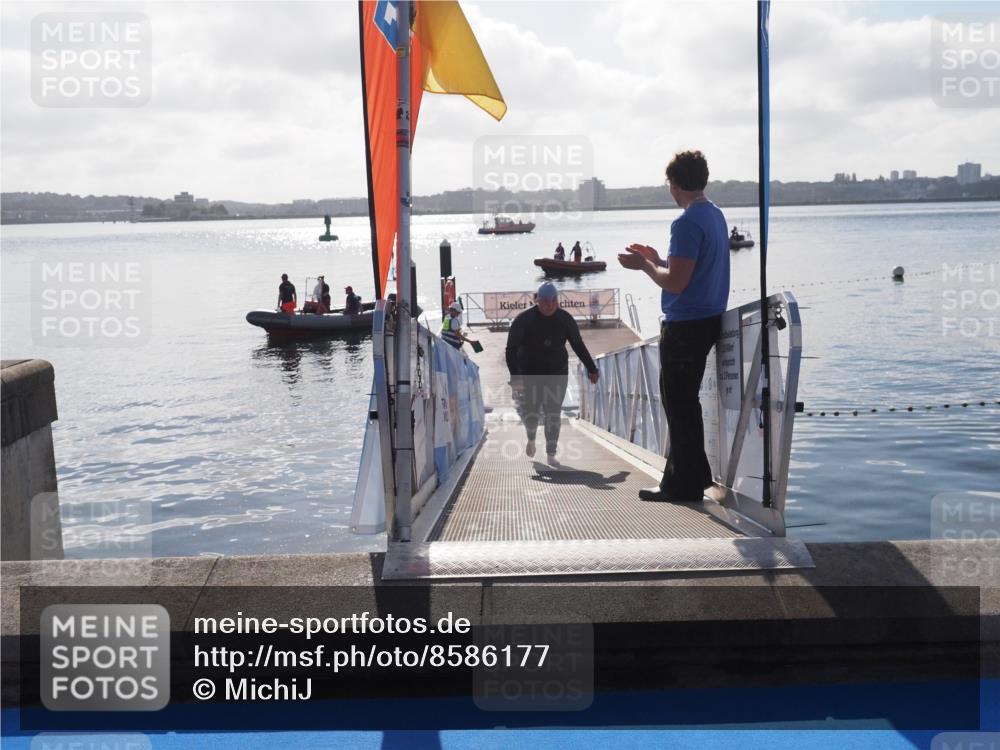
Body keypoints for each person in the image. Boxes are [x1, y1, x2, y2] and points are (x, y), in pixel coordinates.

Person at [617, 149, 730, 502]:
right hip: (710, 318)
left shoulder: (685, 223)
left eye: (669, 183)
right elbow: (689, 269)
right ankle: (693, 475)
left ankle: (683, 483)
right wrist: (657, 259)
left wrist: (643, 266)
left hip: (685, 325)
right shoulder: (715, 215)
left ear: (675, 184)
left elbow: (676, 284)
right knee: (685, 403)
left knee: (678, 404)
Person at [506, 281, 600, 465]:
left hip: (557, 372)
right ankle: (531, 438)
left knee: (553, 412)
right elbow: (511, 350)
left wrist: (592, 368)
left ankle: (551, 453)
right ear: (537, 301)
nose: (549, 305)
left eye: (553, 300)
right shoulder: (524, 320)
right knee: (531, 412)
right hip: (530, 373)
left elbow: (577, 345)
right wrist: (516, 378)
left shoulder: (564, 319)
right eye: (545, 301)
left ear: (557, 301)